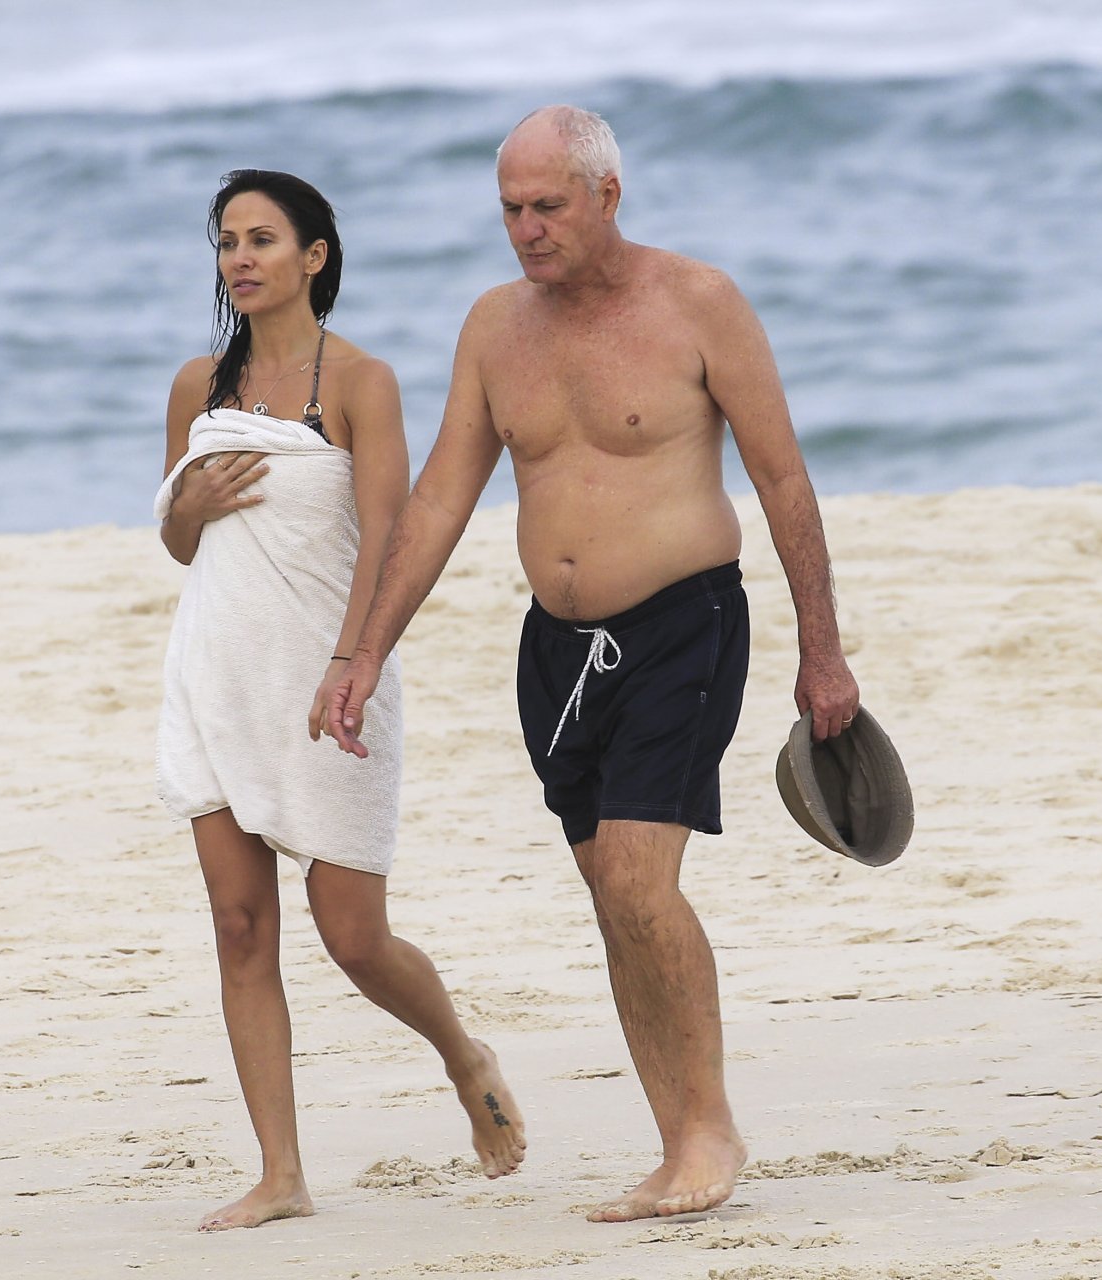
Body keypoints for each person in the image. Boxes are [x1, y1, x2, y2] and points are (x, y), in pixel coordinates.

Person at [326, 108, 861, 1223]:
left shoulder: (697, 303)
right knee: (613, 899)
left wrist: (823, 652)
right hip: (556, 650)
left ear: (606, 197)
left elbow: (782, 480)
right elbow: (441, 497)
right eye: (510, 209)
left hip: (683, 625)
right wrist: (366, 649)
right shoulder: (494, 326)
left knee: (635, 879)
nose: (526, 228)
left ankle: (709, 1127)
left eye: (547, 206)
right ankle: (675, 1145)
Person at [154, 169, 525, 1232]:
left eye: (261, 239)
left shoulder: (361, 381)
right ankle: (281, 1172)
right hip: (216, 672)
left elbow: (387, 536)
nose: (239, 258)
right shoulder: (198, 385)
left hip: (329, 675)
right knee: (239, 925)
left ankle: (463, 1055)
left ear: (313, 256)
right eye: (227, 241)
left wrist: (353, 659)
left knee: (353, 936)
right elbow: (177, 542)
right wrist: (189, 500)